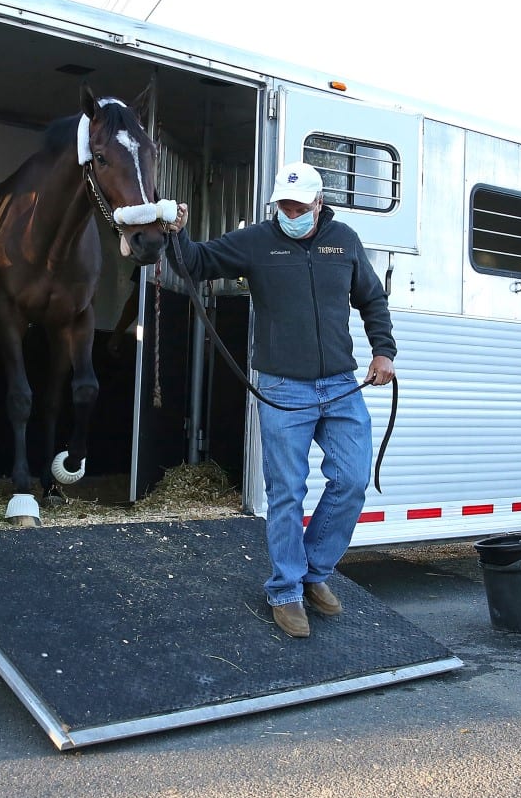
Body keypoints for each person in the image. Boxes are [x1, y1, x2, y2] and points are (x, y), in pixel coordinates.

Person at [166, 161, 396, 639]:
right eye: (282, 206)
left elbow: (372, 299)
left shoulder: (345, 241)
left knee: (352, 480)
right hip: (281, 386)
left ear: (317, 203)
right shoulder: (257, 240)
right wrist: (178, 235)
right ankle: (287, 589)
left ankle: (315, 572)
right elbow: (198, 262)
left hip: (340, 384)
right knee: (287, 491)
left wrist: (383, 352)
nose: (288, 213)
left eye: (297, 206)